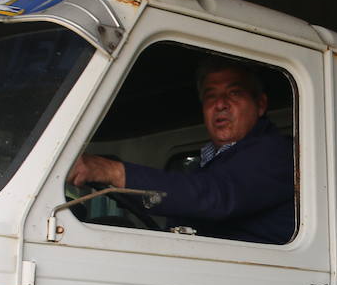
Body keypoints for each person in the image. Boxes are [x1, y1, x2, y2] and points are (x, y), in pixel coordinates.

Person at [67, 58, 294, 244]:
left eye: (234, 93)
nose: (220, 104)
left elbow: (215, 197)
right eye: (211, 96)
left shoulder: (277, 152)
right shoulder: (205, 165)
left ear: (261, 105)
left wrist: (111, 172)